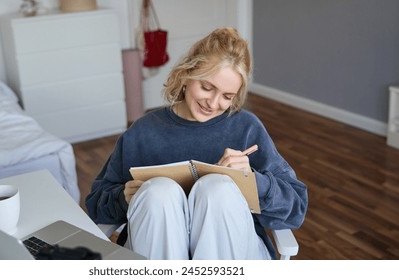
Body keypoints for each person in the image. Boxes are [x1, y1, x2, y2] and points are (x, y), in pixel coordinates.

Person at [85, 27, 308, 260]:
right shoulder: (142, 132)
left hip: (234, 251)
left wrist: (253, 182)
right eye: (207, 87)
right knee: (158, 192)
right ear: (186, 75)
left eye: (227, 96)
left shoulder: (246, 128)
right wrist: (123, 197)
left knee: (218, 189)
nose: (213, 103)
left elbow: (296, 208)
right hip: (155, 250)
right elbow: (96, 206)